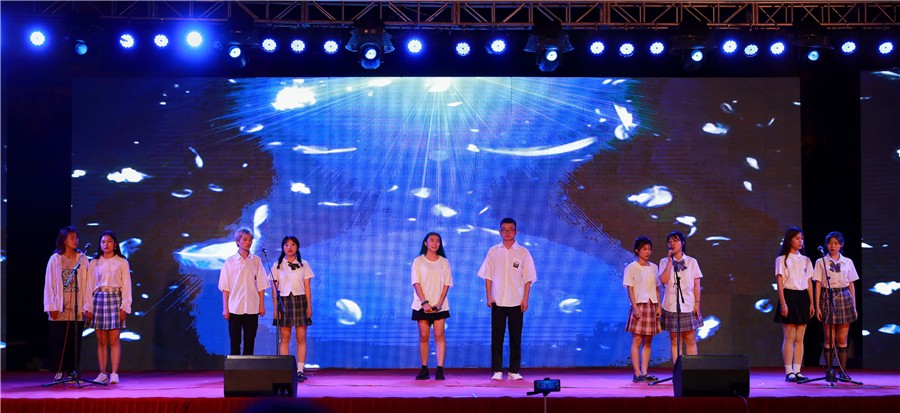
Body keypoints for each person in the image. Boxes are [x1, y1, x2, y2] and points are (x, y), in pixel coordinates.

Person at [477, 217, 536, 381]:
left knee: (515, 337)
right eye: (504, 230)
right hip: (498, 301)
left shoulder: (523, 252)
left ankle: (514, 371)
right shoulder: (493, 251)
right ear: (500, 232)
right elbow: (488, 276)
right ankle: (497, 370)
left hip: (517, 301)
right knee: (497, 337)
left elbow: (528, 278)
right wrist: (489, 296)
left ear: (516, 232)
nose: (507, 232)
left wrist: (525, 299)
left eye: (510, 230)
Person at [43, 226, 92, 382]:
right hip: (60, 307)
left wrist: (88, 306)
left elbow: (88, 284)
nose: (75, 240)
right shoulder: (55, 259)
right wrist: (51, 306)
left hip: (77, 307)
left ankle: (72, 370)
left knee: (74, 341)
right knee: (58, 341)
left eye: (76, 237)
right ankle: (58, 370)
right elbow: (49, 284)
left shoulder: (82, 259)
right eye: (71, 237)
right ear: (64, 240)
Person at [84, 230, 133, 385]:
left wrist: (124, 306)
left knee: (114, 339)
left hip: (115, 299)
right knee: (101, 340)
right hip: (98, 299)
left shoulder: (122, 262)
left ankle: (114, 373)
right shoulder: (94, 262)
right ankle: (102, 373)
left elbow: (126, 285)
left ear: (115, 244)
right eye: (103, 242)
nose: (106, 244)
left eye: (109, 241)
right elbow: (89, 286)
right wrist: (88, 306)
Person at [813, 231, 859, 381]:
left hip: (844, 296)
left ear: (841, 245)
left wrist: (854, 305)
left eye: (836, 243)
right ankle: (829, 372)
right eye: (830, 243)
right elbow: (817, 284)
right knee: (829, 338)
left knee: (842, 338)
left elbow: (851, 284)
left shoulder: (848, 262)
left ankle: (843, 372)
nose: (832, 246)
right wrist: (817, 306)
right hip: (827, 296)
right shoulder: (821, 262)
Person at [773, 226, 815, 382]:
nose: (800, 241)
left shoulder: (806, 260)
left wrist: (812, 303)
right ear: (790, 240)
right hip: (789, 296)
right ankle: (789, 371)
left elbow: (809, 282)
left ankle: (798, 371)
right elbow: (780, 283)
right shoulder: (782, 259)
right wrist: (783, 303)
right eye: (797, 238)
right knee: (789, 337)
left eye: (801, 239)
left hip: (803, 298)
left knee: (800, 338)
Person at [271, 235, 315, 382]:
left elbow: (307, 287)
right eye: (286, 245)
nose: (289, 247)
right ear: (283, 247)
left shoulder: (304, 264)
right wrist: (275, 309)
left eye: (293, 244)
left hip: (300, 301)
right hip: (284, 302)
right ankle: (285, 371)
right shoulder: (277, 265)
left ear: (297, 247)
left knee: (301, 337)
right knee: (285, 338)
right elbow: (274, 290)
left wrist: (309, 306)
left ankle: (300, 370)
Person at [219, 227, 269, 355]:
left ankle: (248, 366)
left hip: (252, 306)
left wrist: (261, 305)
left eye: (250, 240)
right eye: (245, 240)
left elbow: (261, 285)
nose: (248, 242)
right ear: (238, 242)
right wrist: (225, 308)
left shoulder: (256, 261)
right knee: (235, 341)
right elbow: (225, 287)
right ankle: (235, 367)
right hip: (235, 306)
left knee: (250, 340)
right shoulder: (230, 262)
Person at [411, 232, 453, 381]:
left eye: (438, 241)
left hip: (440, 306)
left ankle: (440, 369)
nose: (435, 243)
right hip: (421, 305)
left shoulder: (444, 262)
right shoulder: (418, 261)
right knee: (424, 336)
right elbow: (416, 282)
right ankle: (424, 369)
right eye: (432, 240)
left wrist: (440, 303)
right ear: (425, 243)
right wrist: (424, 303)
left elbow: (447, 283)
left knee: (439, 335)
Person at [658, 231, 703, 365]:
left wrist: (697, 303)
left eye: (675, 241)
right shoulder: (664, 261)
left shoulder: (692, 261)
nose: (672, 244)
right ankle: (678, 371)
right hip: (671, 305)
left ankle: (693, 370)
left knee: (690, 339)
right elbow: (664, 280)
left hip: (689, 304)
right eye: (669, 242)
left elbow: (697, 284)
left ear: (682, 243)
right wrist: (670, 262)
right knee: (675, 340)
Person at [623, 236, 661, 382]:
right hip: (639, 305)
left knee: (648, 341)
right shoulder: (631, 267)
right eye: (644, 249)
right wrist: (634, 308)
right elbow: (630, 289)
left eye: (649, 249)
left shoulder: (654, 267)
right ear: (637, 250)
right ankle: (637, 373)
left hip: (652, 305)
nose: (647, 252)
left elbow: (657, 288)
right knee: (637, 340)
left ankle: (645, 372)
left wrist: (658, 306)